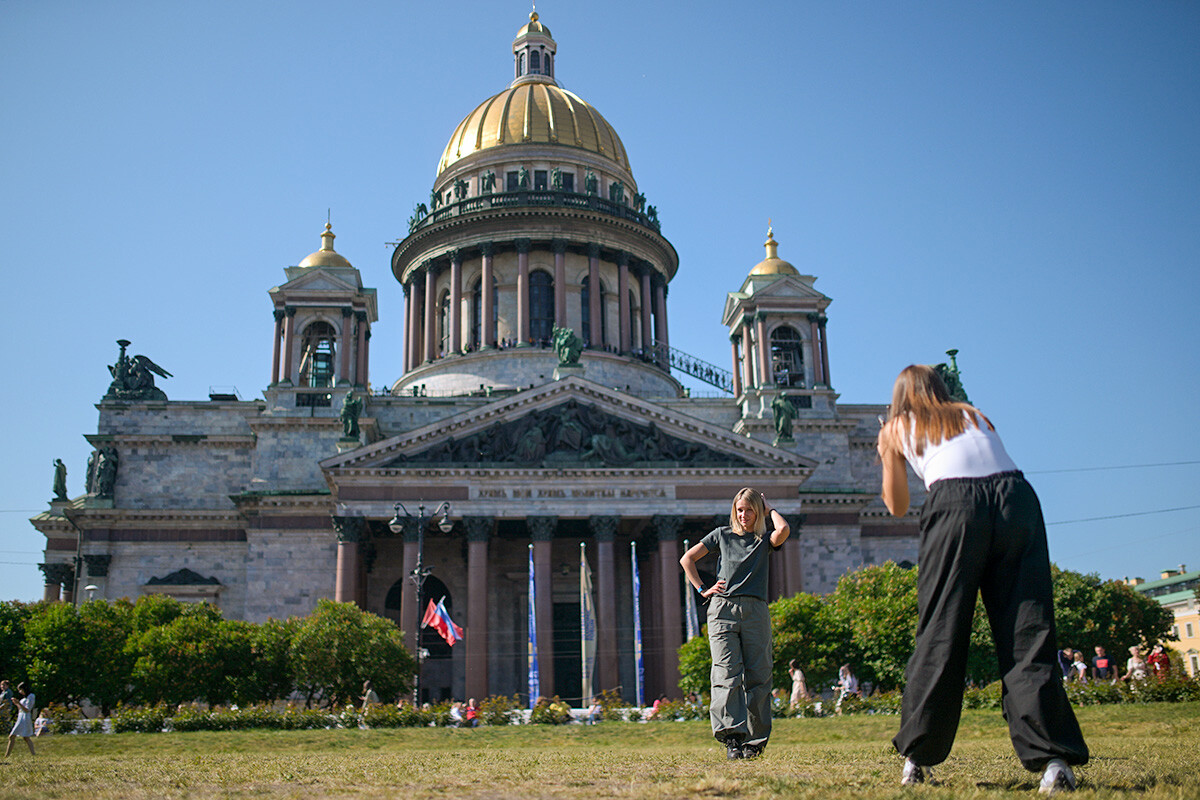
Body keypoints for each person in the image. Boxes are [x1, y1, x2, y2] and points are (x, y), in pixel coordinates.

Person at [877, 365, 1088, 793]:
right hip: (1017, 498)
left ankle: (917, 756)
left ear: (899, 397)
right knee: (1028, 630)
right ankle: (1054, 760)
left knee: (940, 629)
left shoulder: (898, 426)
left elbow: (897, 505)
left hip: (955, 505)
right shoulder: (974, 413)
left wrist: (888, 451)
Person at [680, 488, 790, 760]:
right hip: (723, 610)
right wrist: (703, 589)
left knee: (759, 676)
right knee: (726, 672)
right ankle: (732, 738)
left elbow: (784, 529)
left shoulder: (764, 539)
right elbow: (687, 559)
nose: (744, 515)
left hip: (755, 609)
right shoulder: (721, 535)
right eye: (739, 510)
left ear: (758, 511)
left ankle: (755, 741)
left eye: (749, 509)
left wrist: (769, 508)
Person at [5, 682, 35, 758]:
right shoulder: (24, 698)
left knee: (24, 737)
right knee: (17, 737)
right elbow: (21, 709)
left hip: (25, 718)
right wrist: (17, 704)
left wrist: (19, 703)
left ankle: (7, 755)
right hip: (21, 717)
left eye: (20, 690)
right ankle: (7, 755)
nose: (19, 692)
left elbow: (27, 709)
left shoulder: (31, 696)